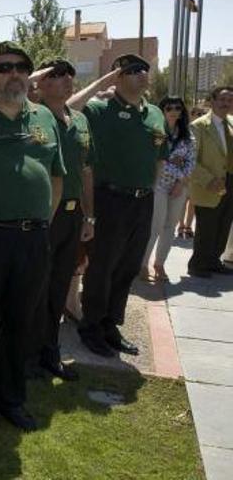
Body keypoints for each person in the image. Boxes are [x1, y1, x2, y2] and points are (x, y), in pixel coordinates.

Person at [0, 41, 64, 433]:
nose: (14, 73)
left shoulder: (44, 117)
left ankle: (12, 399)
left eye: (21, 66)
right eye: (2, 67)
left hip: (33, 239)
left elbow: (56, 177)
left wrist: (41, 221)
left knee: (22, 323)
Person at [78, 54, 169, 357]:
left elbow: (160, 156)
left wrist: (149, 188)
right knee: (102, 267)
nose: (141, 74)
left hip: (142, 201)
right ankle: (90, 326)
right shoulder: (98, 110)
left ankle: (109, 324)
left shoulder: (155, 113)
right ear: (117, 77)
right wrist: (99, 84)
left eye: (144, 69)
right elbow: (68, 110)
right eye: (132, 71)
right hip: (109, 200)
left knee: (128, 266)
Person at [30, 58, 95, 382]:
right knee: (34, 288)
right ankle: (26, 356)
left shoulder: (80, 120)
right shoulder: (31, 115)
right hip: (43, 213)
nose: (67, 79)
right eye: (55, 75)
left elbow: (86, 171)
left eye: (69, 74)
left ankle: (49, 352)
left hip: (72, 215)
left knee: (58, 287)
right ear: (41, 83)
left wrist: (89, 215)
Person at [141, 96, 195, 281]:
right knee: (154, 226)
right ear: (161, 110)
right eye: (169, 107)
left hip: (179, 187)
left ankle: (160, 264)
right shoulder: (155, 131)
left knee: (170, 227)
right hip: (158, 185)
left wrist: (180, 182)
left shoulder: (187, 135)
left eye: (178, 108)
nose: (173, 111)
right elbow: (155, 160)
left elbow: (191, 161)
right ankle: (143, 265)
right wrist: (172, 162)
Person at [187, 86, 233, 277]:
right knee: (207, 226)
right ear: (212, 101)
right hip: (210, 183)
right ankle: (198, 264)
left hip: (230, 181)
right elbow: (191, 160)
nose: (226, 104)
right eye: (222, 99)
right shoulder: (198, 126)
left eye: (230, 100)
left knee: (223, 224)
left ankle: (214, 261)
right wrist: (208, 180)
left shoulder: (231, 123)